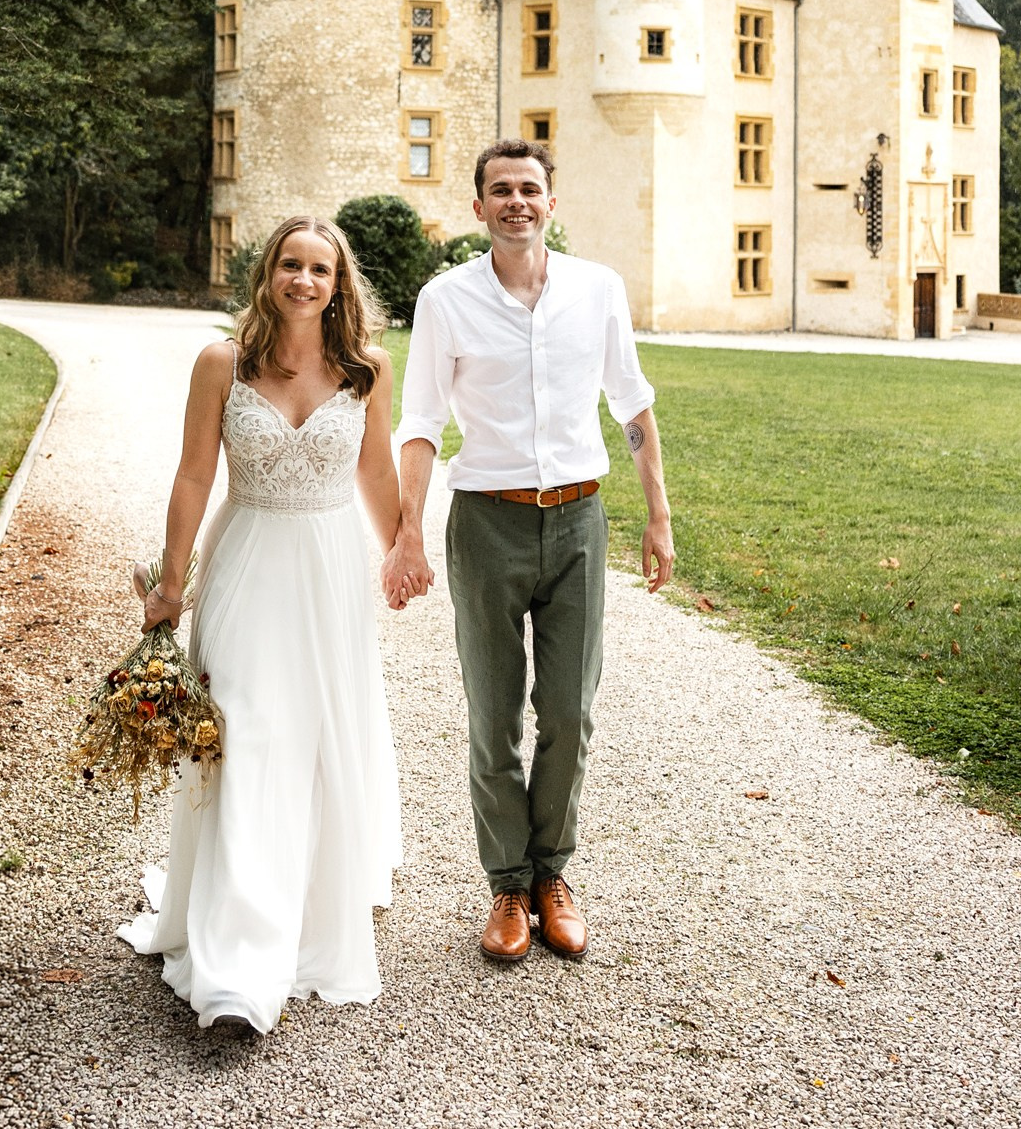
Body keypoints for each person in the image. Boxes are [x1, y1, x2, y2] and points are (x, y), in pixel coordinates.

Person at [383, 139, 673, 963]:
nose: (516, 200)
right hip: (486, 521)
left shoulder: (598, 290)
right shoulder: (446, 300)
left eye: (530, 188)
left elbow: (634, 404)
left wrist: (659, 516)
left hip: (579, 520)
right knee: (494, 713)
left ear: (553, 202)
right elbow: (421, 423)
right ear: (478, 208)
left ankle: (554, 873)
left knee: (570, 713)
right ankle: (508, 883)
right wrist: (408, 531)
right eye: (500, 190)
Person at [117, 216, 405, 1030]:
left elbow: (377, 471)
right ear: (267, 272)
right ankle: (237, 971)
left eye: (320, 268)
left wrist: (403, 547)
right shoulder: (223, 363)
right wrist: (170, 584)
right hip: (245, 565)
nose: (304, 280)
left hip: (330, 576)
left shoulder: (366, 369)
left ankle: (305, 915)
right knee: (244, 737)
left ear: (339, 283)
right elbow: (192, 474)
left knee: (313, 742)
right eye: (290, 263)